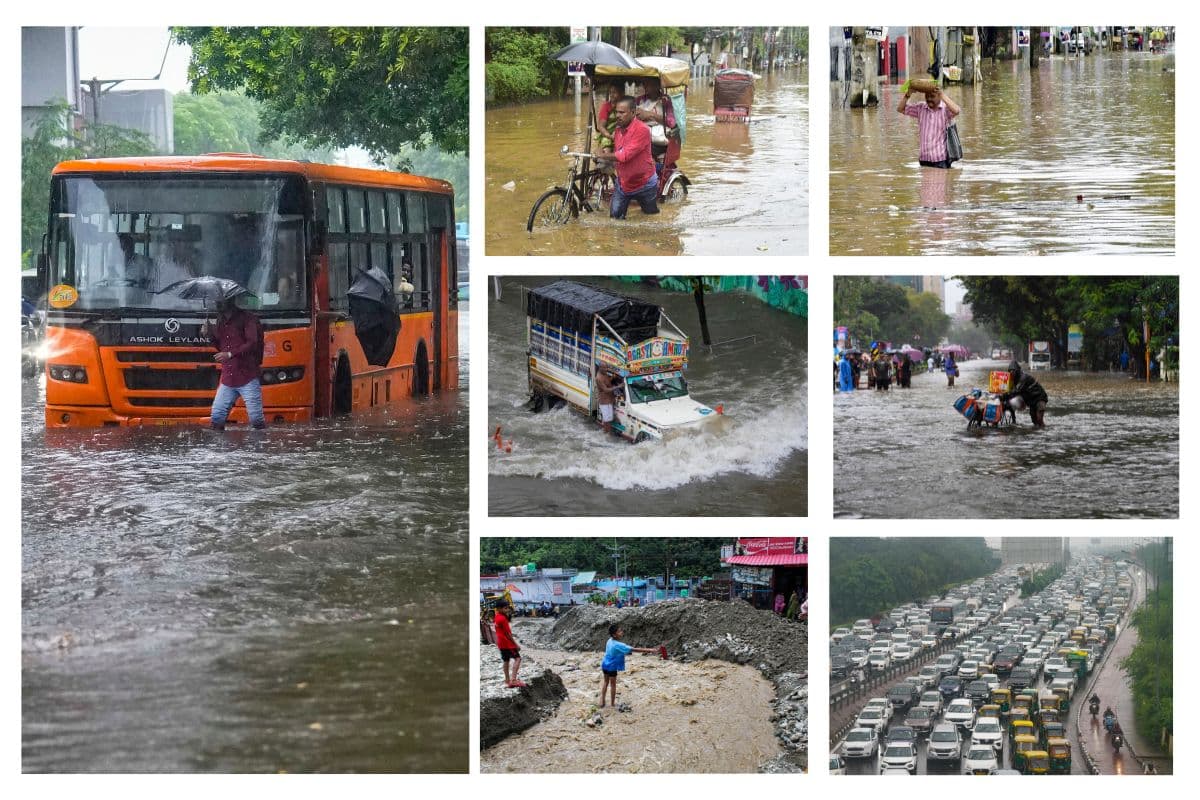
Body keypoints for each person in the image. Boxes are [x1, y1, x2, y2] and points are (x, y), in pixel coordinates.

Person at [204, 296, 266, 430]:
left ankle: (260, 441)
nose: (217, 303)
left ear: (230, 301)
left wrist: (230, 354)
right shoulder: (220, 320)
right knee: (217, 417)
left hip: (247, 375)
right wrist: (209, 335)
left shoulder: (248, 318)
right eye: (217, 300)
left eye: (220, 301)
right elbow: (221, 346)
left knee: (256, 419)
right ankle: (219, 443)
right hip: (228, 377)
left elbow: (252, 343)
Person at [603, 97, 659, 219]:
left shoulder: (642, 130)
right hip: (624, 184)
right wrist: (604, 150)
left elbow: (624, 155)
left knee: (651, 217)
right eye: (617, 112)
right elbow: (615, 148)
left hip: (645, 184)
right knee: (615, 218)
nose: (618, 115)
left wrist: (602, 155)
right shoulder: (618, 129)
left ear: (633, 112)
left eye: (622, 112)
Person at [897, 86, 961, 168]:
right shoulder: (920, 108)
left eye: (932, 96)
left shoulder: (945, 110)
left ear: (939, 96)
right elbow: (900, 109)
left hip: (940, 160)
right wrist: (907, 95)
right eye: (927, 96)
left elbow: (957, 110)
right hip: (924, 159)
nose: (929, 99)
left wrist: (942, 95)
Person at [599, 624, 660, 709]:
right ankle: (612, 704)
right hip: (612, 666)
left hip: (604, 664)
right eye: (619, 631)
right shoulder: (618, 645)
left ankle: (602, 700)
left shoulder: (609, 641)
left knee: (606, 682)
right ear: (614, 635)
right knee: (613, 685)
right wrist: (650, 650)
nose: (621, 632)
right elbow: (634, 649)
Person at [1001, 360, 1048, 427]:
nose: (1012, 373)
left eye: (1013, 371)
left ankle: (1044, 431)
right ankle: (1038, 431)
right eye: (1010, 371)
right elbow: (1009, 390)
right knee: (1034, 421)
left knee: (1039, 419)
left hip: (1039, 397)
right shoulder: (1013, 380)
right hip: (1031, 400)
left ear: (1017, 371)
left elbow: (1016, 391)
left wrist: (1004, 395)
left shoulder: (1023, 378)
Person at [493, 600, 525, 688]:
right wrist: (516, 644)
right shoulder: (503, 619)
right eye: (505, 608)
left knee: (506, 660)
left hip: (500, 642)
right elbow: (508, 634)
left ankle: (507, 680)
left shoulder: (497, 616)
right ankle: (513, 680)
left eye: (507, 608)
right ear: (499, 608)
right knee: (518, 658)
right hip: (507, 643)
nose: (507, 610)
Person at [594, 83, 623, 154]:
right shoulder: (606, 107)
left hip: (623, 134)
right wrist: (610, 136)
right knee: (606, 150)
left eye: (614, 92)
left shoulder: (625, 105)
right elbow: (601, 127)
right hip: (608, 135)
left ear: (621, 93)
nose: (611, 95)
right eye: (610, 92)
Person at [595, 368, 618, 432]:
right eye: (604, 368)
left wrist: (612, 377)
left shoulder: (604, 374)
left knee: (609, 419)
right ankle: (606, 432)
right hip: (604, 401)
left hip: (609, 399)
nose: (606, 370)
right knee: (606, 419)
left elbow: (607, 382)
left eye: (606, 368)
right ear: (600, 368)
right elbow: (605, 389)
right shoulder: (598, 378)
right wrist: (618, 387)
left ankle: (608, 432)